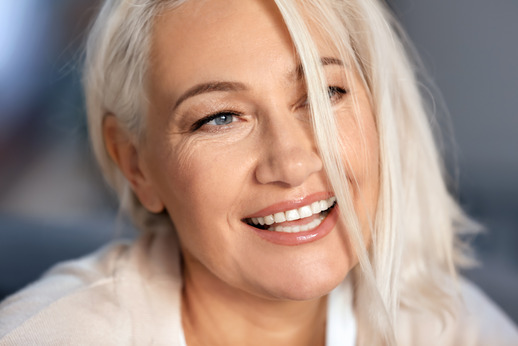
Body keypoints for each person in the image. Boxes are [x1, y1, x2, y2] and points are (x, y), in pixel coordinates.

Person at [0, 0, 517, 344]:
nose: (292, 163)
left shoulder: (454, 329)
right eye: (219, 118)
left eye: (324, 92)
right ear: (135, 163)